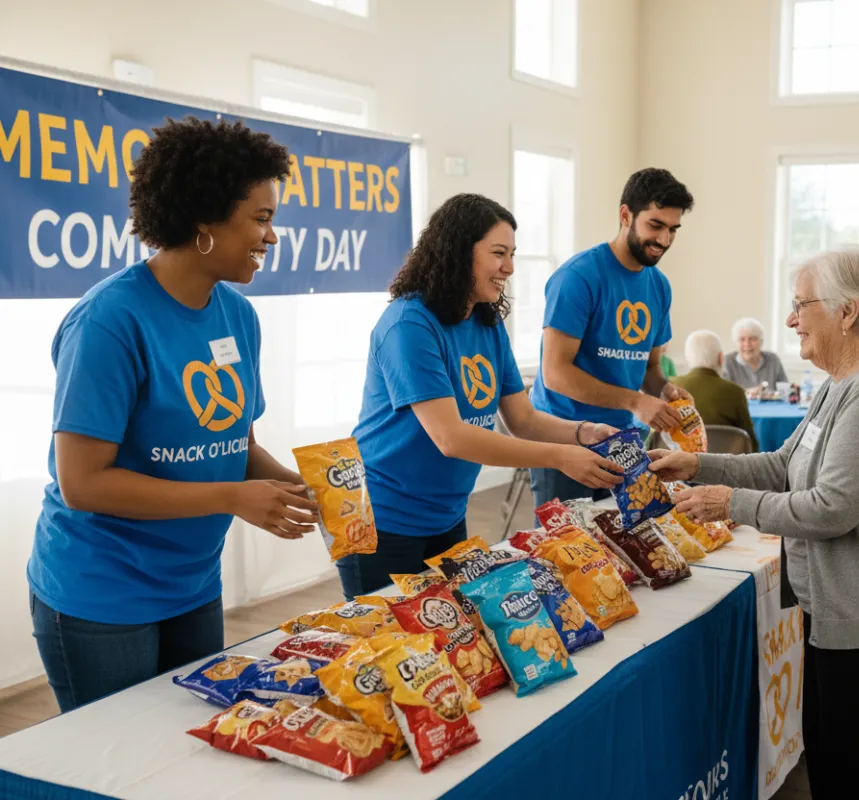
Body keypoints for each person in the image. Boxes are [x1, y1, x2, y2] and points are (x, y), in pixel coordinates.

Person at [26, 118, 321, 713]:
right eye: (260, 219)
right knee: (114, 768)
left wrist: (295, 486)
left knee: (186, 755)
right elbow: (83, 484)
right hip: (101, 594)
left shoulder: (238, 316)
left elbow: (235, 444)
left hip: (191, 583)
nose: (272, 236)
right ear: (204, 220)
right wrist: (232, 499)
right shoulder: (109, 321)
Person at [651, 245, 859, 800]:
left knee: (853, 776)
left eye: (800, 305)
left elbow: (832, 508)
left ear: (847, 312)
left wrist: (726, 502)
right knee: (834, 763)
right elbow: (786, 464)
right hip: (842, 610)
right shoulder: (840, 380)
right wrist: (698, 463)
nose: (789, 320)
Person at [346, 194, 622, 598]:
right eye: (499, 253)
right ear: (459, 251)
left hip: (447, 514)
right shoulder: (408, 324)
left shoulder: (486, 322)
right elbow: (451, 438)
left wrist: (583, 432)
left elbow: (524, 419)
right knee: (393, 647)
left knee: (450, 643)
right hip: (382, 521)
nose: (509, 267)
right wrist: (561, 457)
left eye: (512, 254)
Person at [529, 168, 695, 507]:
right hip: (565, 436)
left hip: (623, 439)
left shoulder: (659, 287)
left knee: (621, 546)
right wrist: (635, 402)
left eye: (673, 230)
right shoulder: (578, 277)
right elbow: (555, 373)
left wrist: (663, 390)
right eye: (655, 225)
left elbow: (649, 368)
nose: (664, 240)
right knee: (564, 548)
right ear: (625, 215)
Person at [671, 330, 759, 450]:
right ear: (721, 358)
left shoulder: (670, 387)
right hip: (724, 465)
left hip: (677, 463)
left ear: (688, 358)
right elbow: (750, 443)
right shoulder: (735, 392)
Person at [724, 317, 789, 392]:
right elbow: (724, 393)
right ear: (736, 342)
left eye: (753, 339)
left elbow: (785, 390)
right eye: (742, 339)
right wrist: (747, 392)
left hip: (770, 404)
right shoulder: (727, 361)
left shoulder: (773, 359)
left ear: (761, 341)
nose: (747, 344)